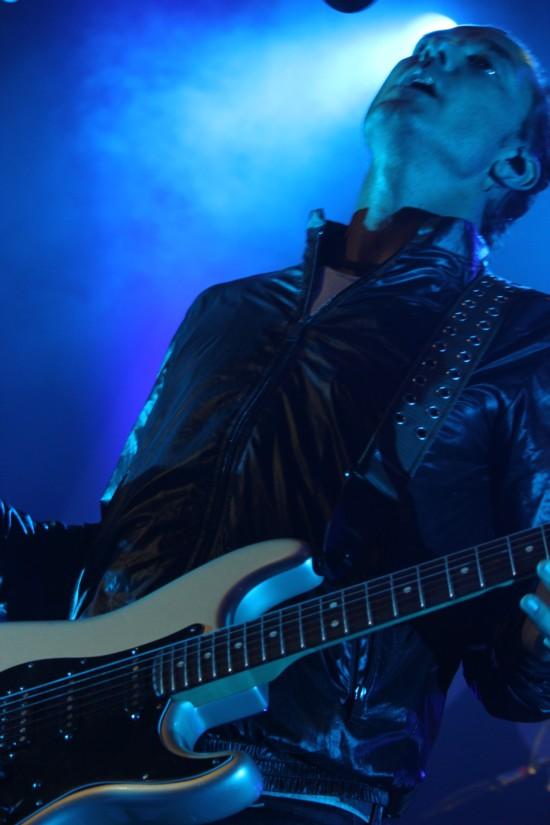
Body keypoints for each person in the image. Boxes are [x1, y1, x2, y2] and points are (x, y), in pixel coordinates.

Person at [2, 23, 550, 825]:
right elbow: (112, 552)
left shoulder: (524, 340)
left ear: (515, 162)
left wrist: (543, 642)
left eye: (481, 64)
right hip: (67, 755)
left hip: (298, 781)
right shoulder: (227, 309)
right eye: (426, 49)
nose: (431, 57)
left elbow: (512, 675)